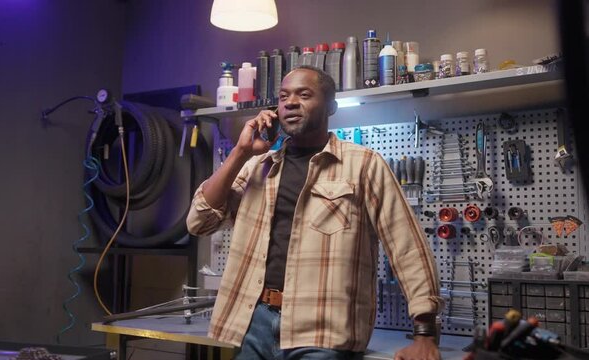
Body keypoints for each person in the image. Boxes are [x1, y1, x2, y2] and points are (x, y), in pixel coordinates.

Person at [187, 65, 445, 360]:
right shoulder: (258, 166)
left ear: (331, 106)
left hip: (322, 330)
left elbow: (407, 247)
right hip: (251, 324)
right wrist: (241, 152)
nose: (290, 102)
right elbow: (199, 222)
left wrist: (425, 334)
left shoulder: (363, 165)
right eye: (283, 97)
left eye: (304, 94)